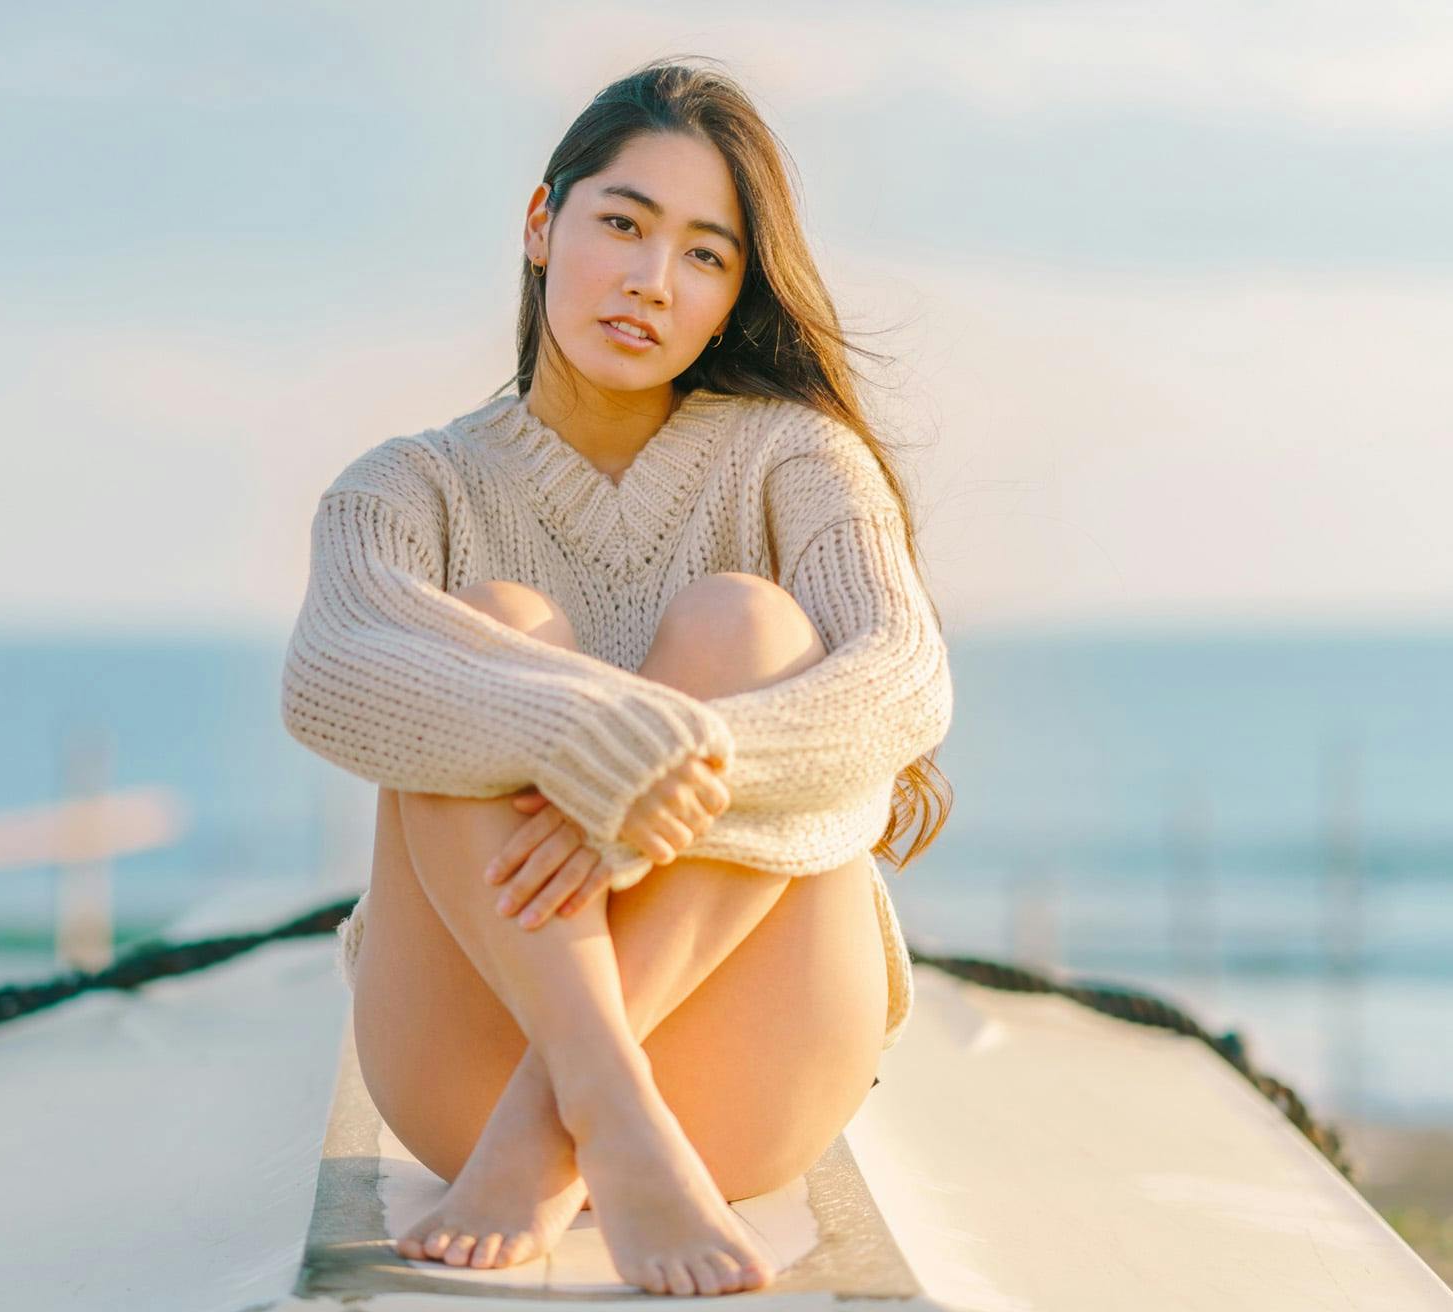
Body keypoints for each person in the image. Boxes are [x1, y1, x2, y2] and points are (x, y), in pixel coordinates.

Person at [280, 58, 954, 1298]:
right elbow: (328, 672)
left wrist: (670, 776)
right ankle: (605, 1104)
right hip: (460, 1073)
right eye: (624, 225)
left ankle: (565, 1125)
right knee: (486, 630)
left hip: (757, 1065)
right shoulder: (406, 486)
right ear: (544, 226)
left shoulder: (794, 457)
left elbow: (904, 680)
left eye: (705, 255)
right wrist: (574, 730)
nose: (652, 280)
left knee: (744, 628)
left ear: (734, 295)